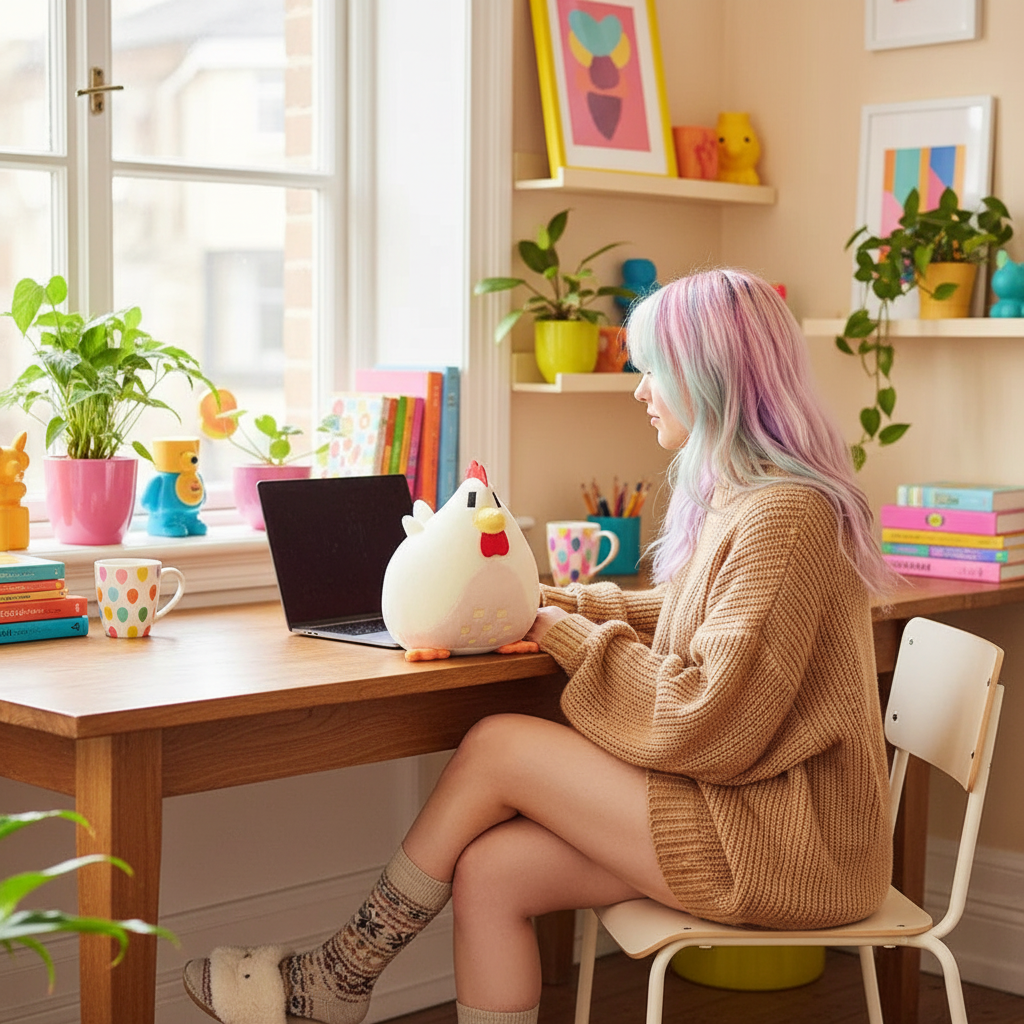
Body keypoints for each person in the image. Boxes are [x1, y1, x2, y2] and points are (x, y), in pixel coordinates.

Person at [183, 268, 895, 1024]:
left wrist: (565, 635)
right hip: (748, 813)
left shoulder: (784, 517)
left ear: (711, 378)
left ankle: (342, 972)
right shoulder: (750, 502)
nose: (638, 388)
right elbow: (680, 615)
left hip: (790, 846)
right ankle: (338, 980)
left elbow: (703, 715)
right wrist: (532, 603)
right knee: (491, 873)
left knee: (498, 745)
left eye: (652, 368)